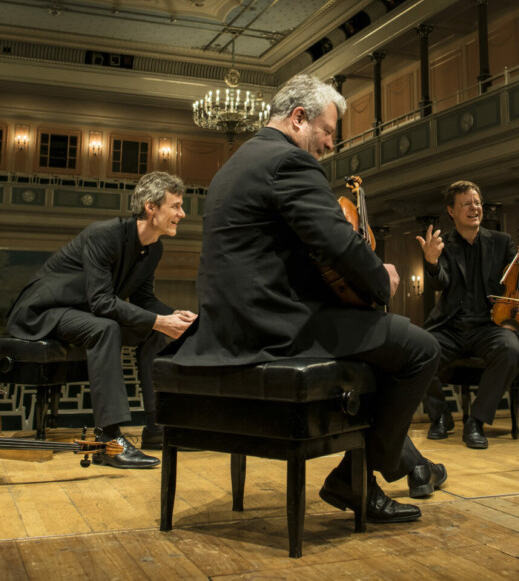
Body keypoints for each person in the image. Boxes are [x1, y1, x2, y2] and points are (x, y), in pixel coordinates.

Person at [168, 74, 446, 521]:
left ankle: (386, 469)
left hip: (226, 327)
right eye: (328, 131)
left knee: (378, 346)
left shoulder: (233, 165)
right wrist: (382, 279)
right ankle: (364, 474)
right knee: (419, 347)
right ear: (299, 119)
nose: (330, 144)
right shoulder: (289, 163)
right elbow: (338, 242)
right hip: (273, 327)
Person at [5, 171, 196, 469]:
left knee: (154, 332)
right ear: (150, 207)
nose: (182, 214)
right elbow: (102, 302)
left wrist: (172, 317)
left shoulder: (154, 247)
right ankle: (108, 442)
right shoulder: (103, 235)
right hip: (44, 311)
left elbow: (145, 302)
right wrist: (158, 319)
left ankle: (157, 428)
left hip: (84, 313)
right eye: (176, 206)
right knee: (106, 327)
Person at [416, 180, 519, 448]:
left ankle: (476, 422)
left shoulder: (502, 242)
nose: (474, 208)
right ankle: (440, 416)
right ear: (451, 211)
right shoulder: (442, 243)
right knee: (417, 352)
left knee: (511, 350)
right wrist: (432, 263)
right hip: (451, 326)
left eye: (477, 202)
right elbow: (440, 283)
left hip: (490, 325)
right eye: (466, 204)